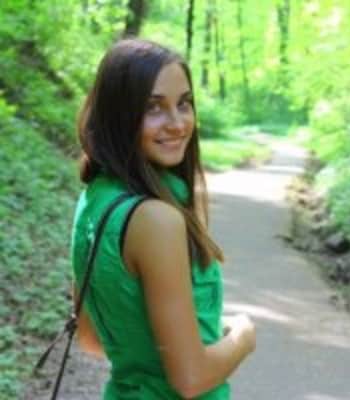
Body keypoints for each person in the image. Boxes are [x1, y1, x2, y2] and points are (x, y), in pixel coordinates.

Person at [71, 37, 256, 400]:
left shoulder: (94, 200)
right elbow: (191, 380)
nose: (177, 123)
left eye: (184, 103)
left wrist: (183, 333)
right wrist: (243, 336)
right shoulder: (156, 220)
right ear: (118, 115)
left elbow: (92, 339)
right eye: (153, 108)